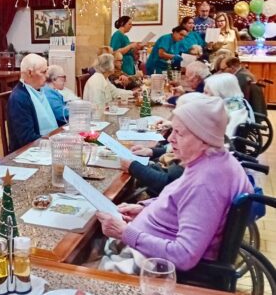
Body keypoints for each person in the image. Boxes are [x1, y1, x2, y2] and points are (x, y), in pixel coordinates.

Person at [96, 95, 253, 272]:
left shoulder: (206, 183)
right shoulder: (213, 160)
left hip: (152, 265)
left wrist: (125, 233)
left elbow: (184, 255)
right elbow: (180, 199)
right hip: (149, 242)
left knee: (83, 259)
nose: (170, 139)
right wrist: (144, 208)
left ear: (203, 137)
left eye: (179, 133)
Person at [7, 54, 59, 152]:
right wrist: (56, 142)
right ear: (30, 73)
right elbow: (27, 139)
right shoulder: (19, 98)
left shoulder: (39, 90)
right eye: (43, 72)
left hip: (43, 146)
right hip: (24, 153)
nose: (47, 75)